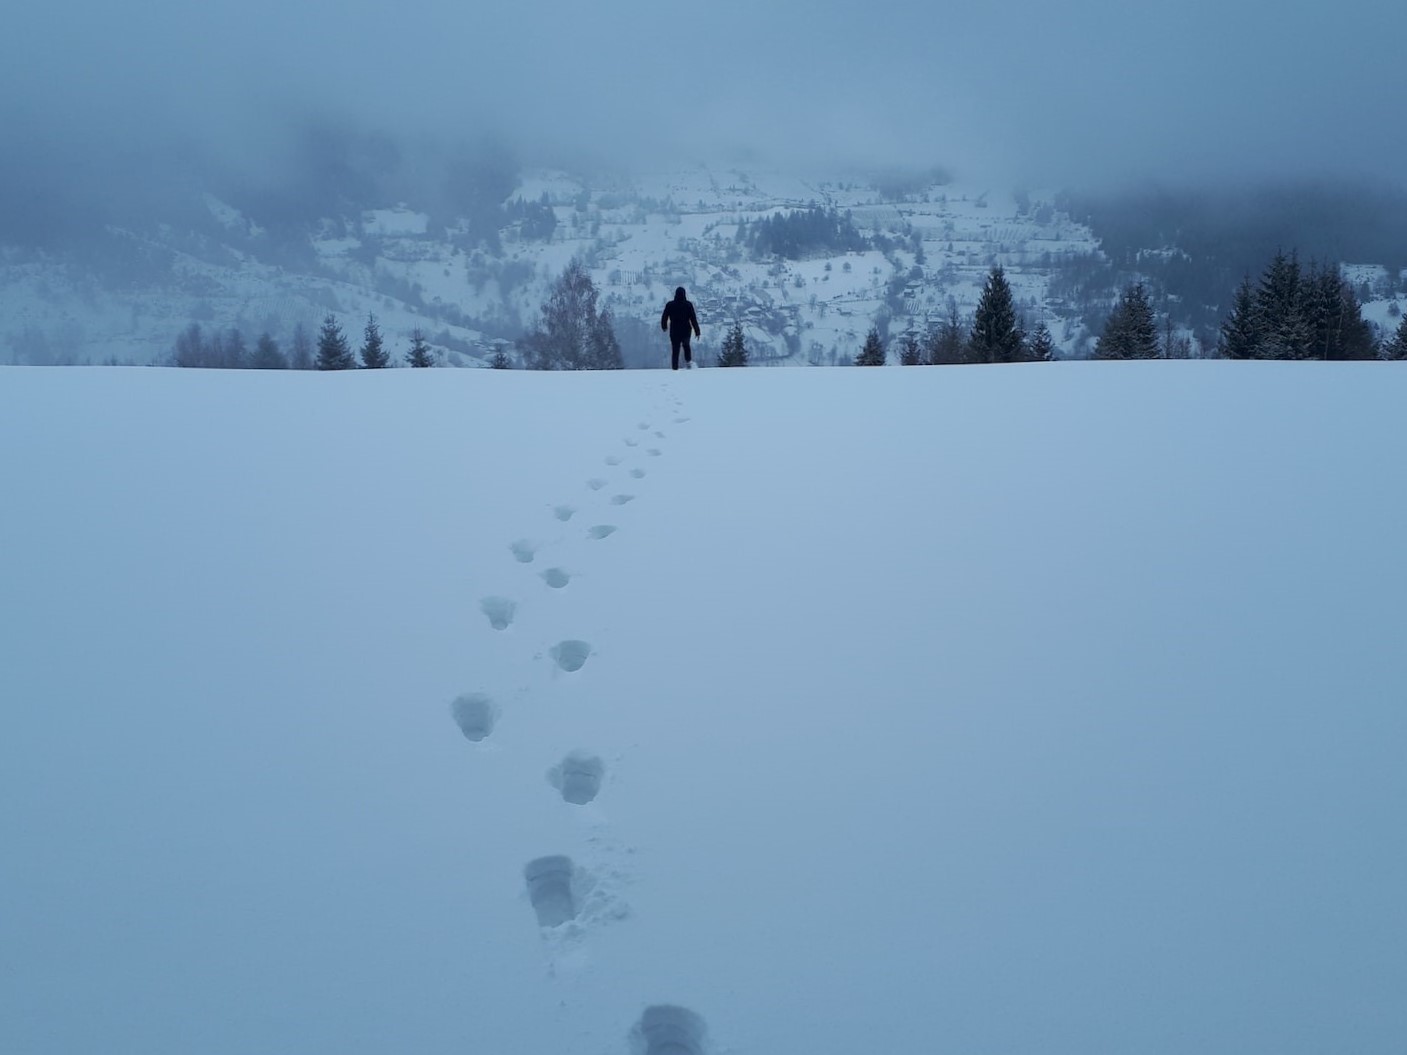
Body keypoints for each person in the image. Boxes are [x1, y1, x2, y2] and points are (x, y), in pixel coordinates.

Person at [660, 286, 701, 370]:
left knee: (675, 349)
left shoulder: (670, 305)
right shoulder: (688, 305)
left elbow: (664, 317)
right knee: (686, 346)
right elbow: (693, 319)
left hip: (674, 331)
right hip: (686, 330)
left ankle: (674, 368)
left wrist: (664, 326)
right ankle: (689, 364)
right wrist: (697, 331)